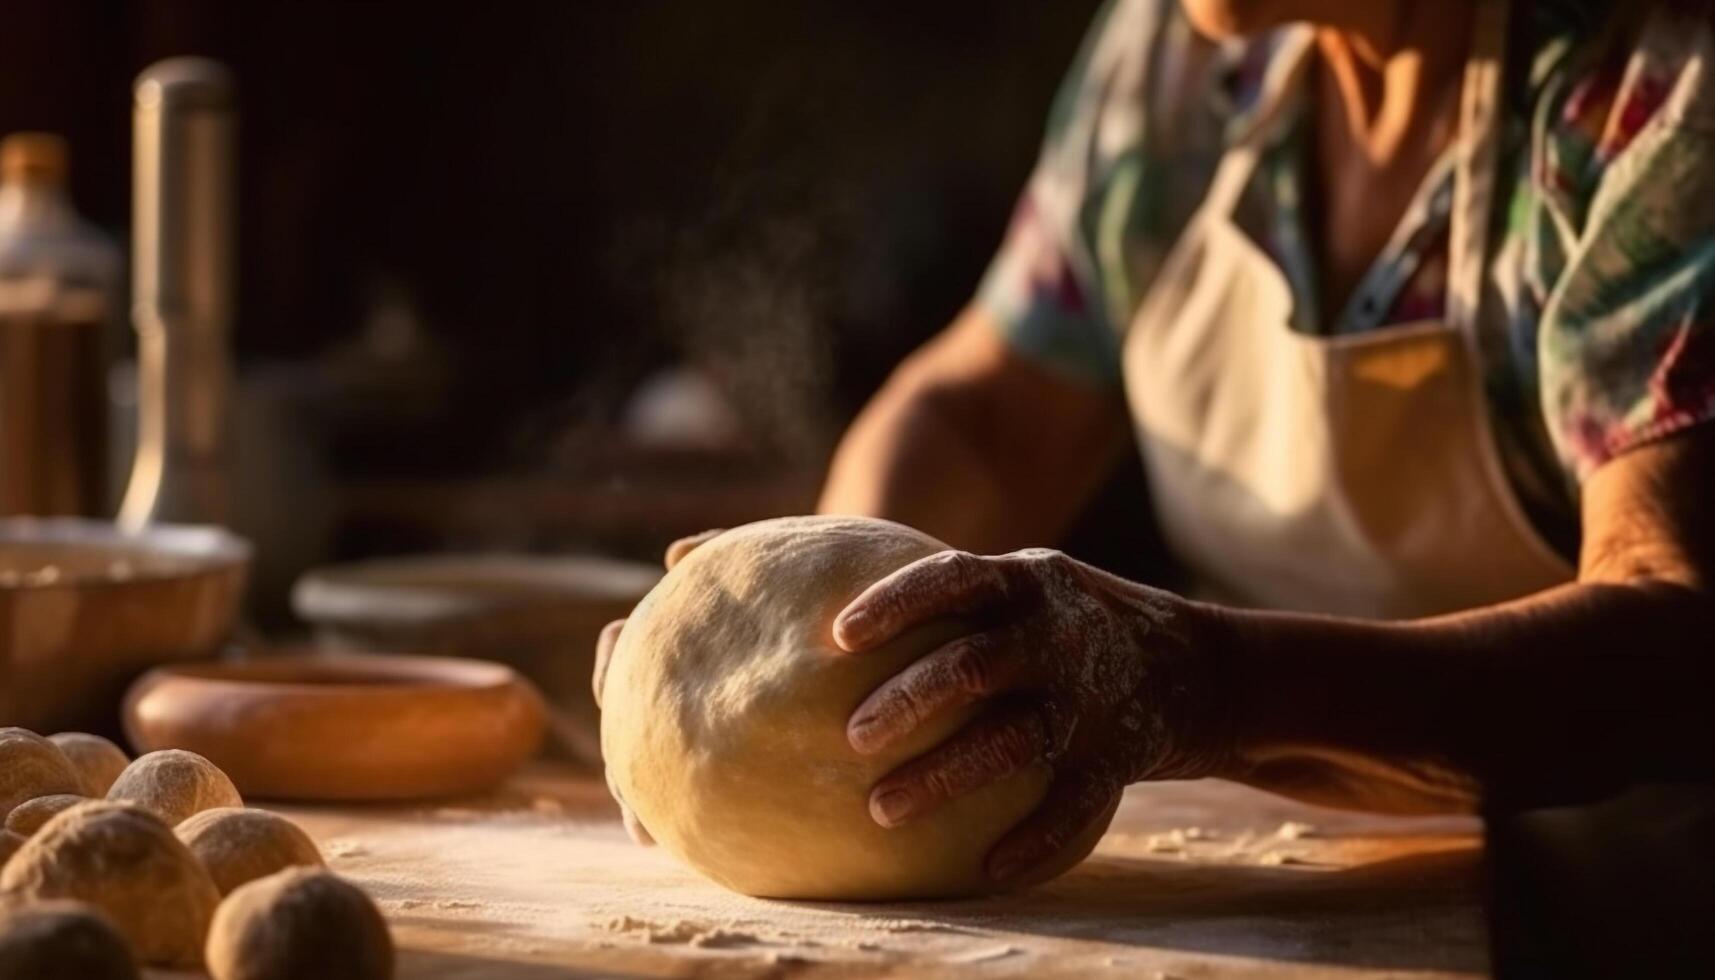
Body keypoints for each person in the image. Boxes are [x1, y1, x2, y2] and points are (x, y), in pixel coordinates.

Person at [606, 0, 1715, 888]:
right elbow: (985, 417)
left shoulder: (1654, 99)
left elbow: (1671, 629)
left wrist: (1204, 687)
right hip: (1244, 870)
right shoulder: (1175, 56)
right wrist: (838, 642)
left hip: (1609, 892)